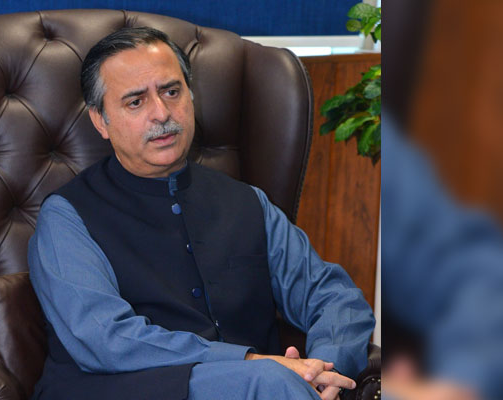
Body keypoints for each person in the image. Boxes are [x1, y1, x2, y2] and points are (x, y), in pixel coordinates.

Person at [28, 27, 375, 400]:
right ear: (100, 120)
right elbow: (105, 339)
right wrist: (250, 362)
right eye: (136, 102)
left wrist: (324, 370)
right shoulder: (67, 216)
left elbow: (334, 297)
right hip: (123, 389)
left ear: (190, 95)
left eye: (171, 92)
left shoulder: (247, 202)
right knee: (270, 382)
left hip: (269, 388)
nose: (161, 113)